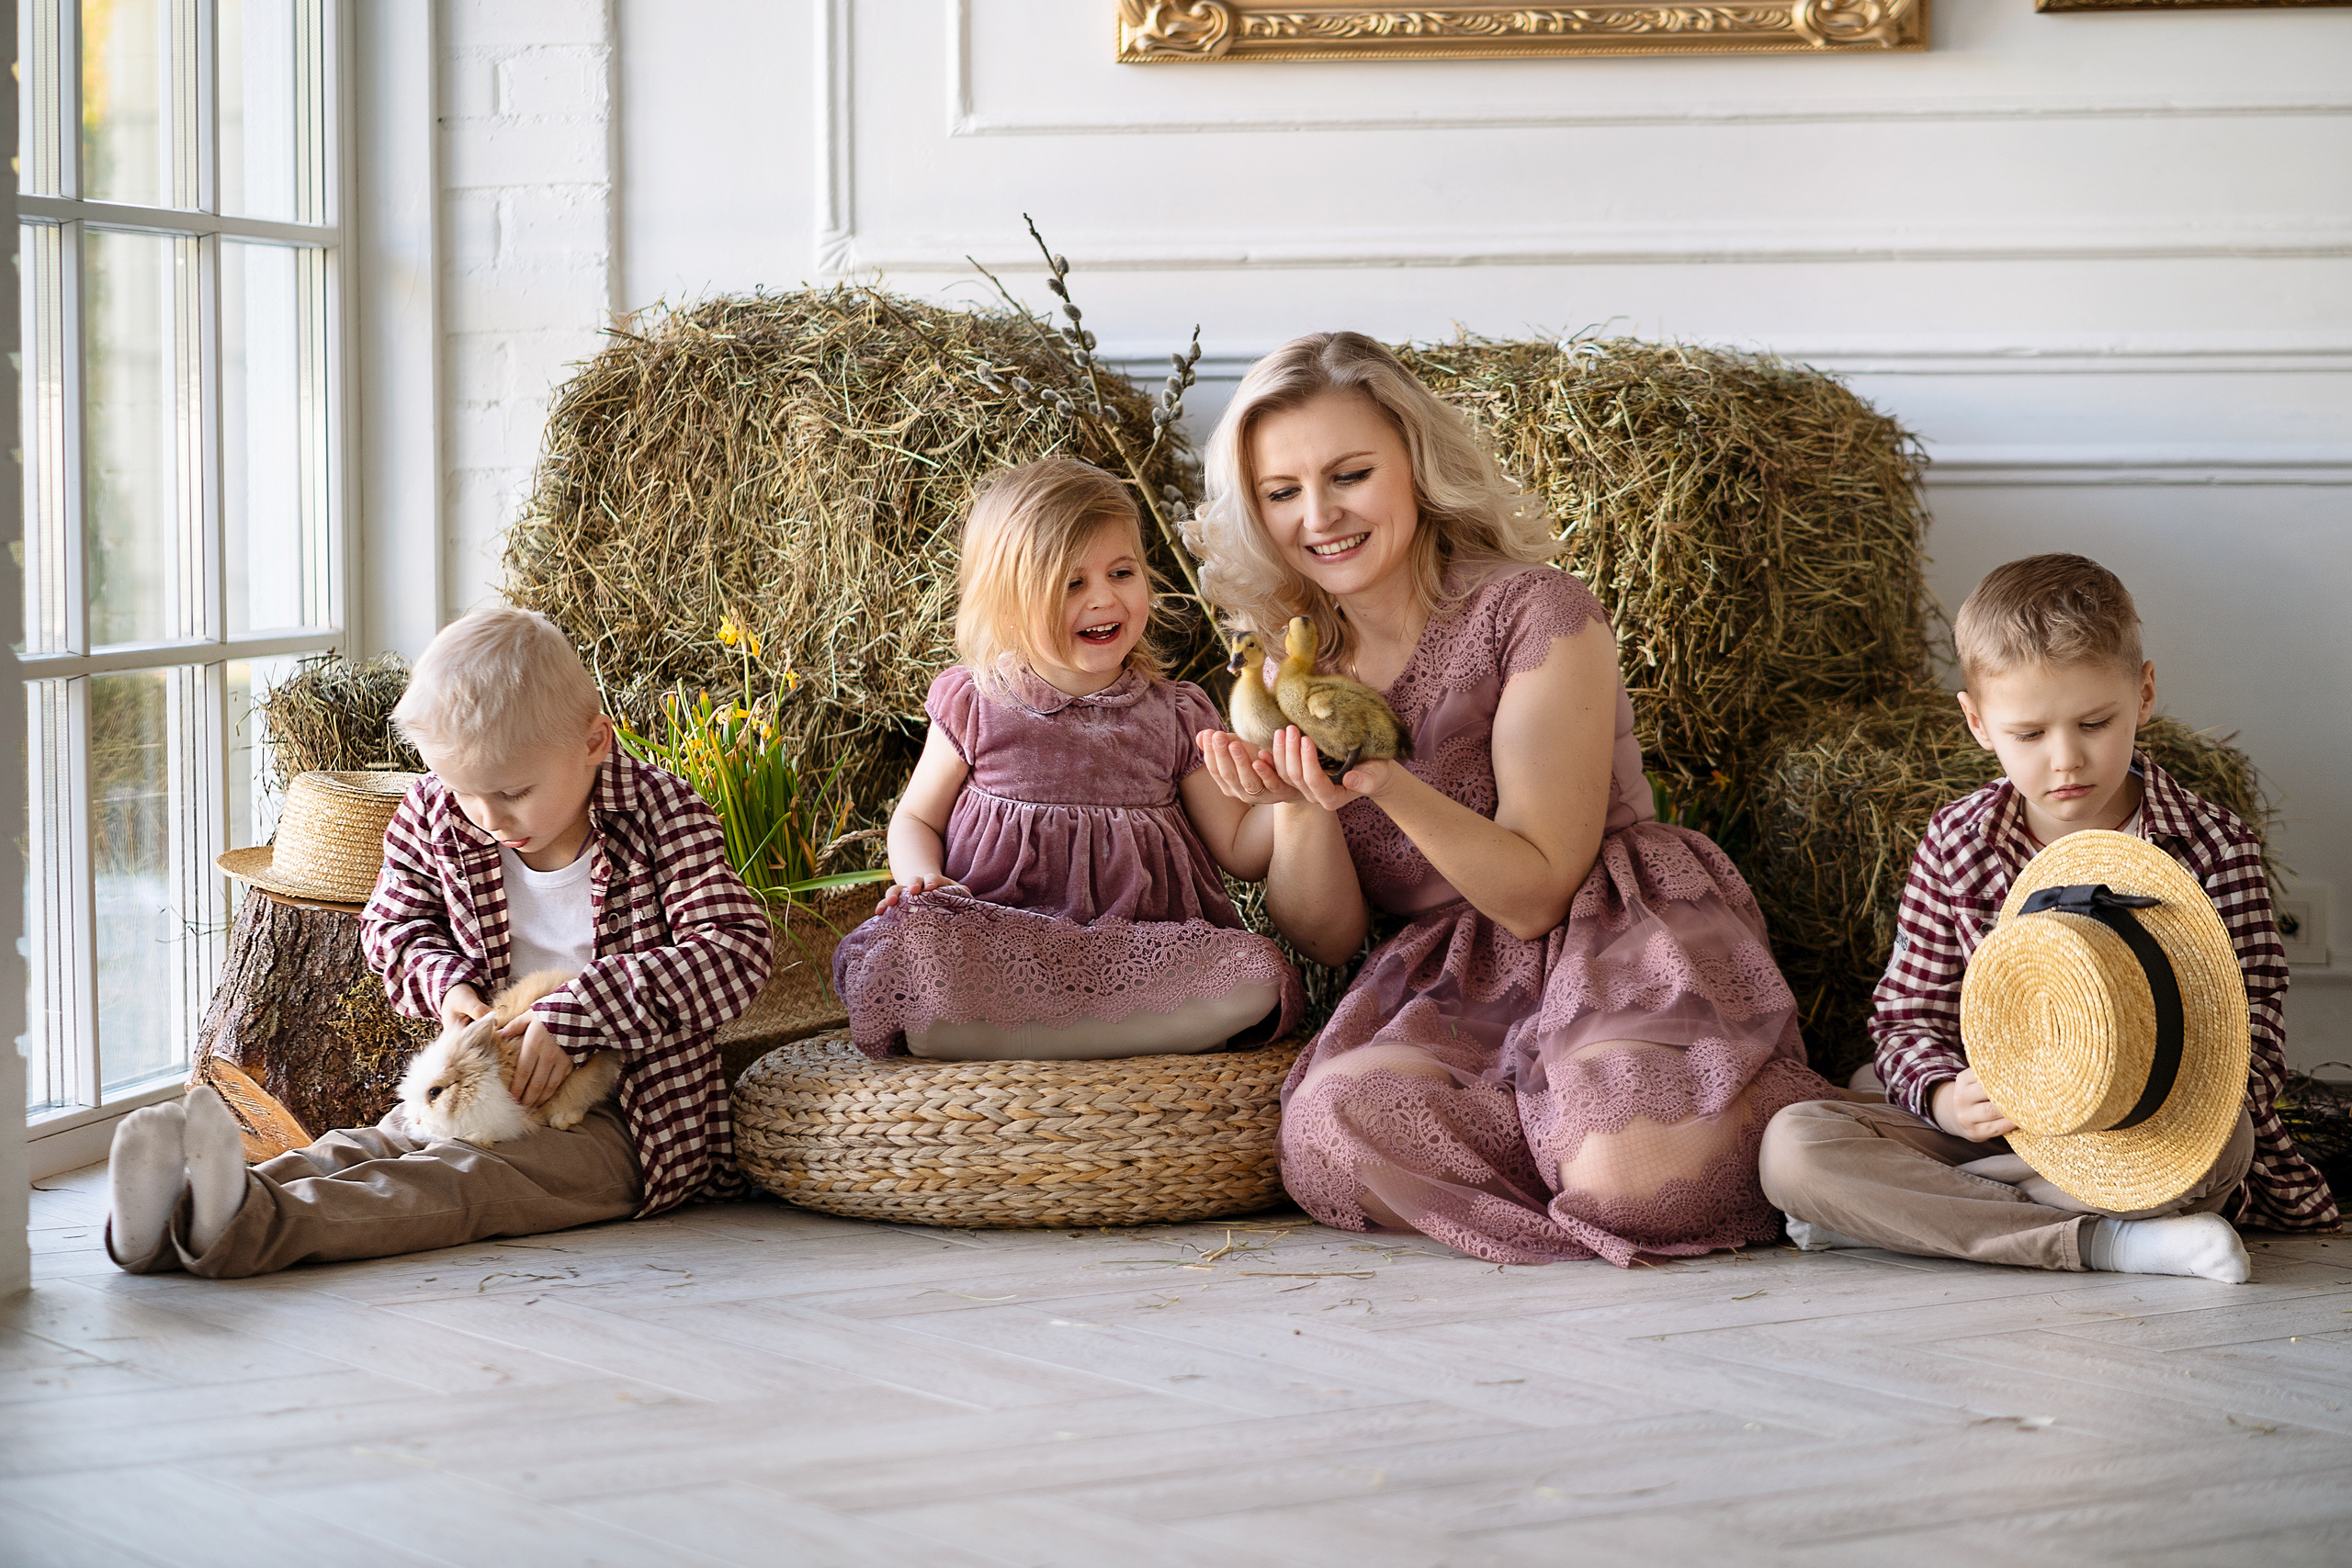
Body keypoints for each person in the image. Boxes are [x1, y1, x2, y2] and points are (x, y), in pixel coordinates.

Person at [1188, 332, 1828, 1267]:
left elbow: (1536, 890)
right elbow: (1325, 937)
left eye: (1350, 474)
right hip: (1454, 978)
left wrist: (1381, 780)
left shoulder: (1537, 611)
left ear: (1415, 464)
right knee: (1328, 1132)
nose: (1318, 516)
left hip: (1609, 930)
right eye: (1280, 493)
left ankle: (1772, 1126)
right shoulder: (1293, 663)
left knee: (1639, 1183)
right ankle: (1578, 1137)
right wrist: (1301, 800)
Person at [103, 605, 774, 1277]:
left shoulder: (663, 816)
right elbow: (392, 927)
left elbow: (737, 949)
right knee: (362, 1146)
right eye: (465, 790)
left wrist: (582, 1013)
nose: (488, 817)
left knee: (462, 1179)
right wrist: (449, 988)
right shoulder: (435, 812)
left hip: (625, 1120)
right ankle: (163, 1220)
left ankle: (241, 1225)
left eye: (513, 791)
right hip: (472, 1089)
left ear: (595, 741)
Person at [1760, 555, 2338, 1280]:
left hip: (2152, 1134)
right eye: (2029, 735)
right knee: (1793, 1145)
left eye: (2096, 721)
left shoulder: (2213, 847)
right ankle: (2109, 1240)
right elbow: (1907, 1019)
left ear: (2145, 692)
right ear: (1977, 721)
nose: (2066, 759)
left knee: (2225, 1146)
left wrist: (2163, 1108)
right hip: (2003, 1129)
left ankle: (1923, 1215)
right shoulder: (1959, 841)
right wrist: (1943, 1095)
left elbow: (2254, 1040)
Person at [832, 457, 1301, 1060]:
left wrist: (1282, 789)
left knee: (1256, 970)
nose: (1104, 597)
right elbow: (916, 819)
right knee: (908, 950)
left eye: (1122, 571)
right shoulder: (977, 701)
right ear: (1007, 601)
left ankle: (1017, 1033)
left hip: (1136, 951)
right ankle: (1008, 1022)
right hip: (1005, 942)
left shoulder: (1177, 714)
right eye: (1072, 583)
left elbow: (1239, 849)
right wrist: (920, 877)